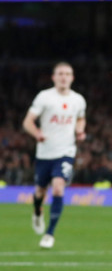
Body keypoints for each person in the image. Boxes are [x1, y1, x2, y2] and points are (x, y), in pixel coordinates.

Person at [22, 62, 87, 249]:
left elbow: (81, 118)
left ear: (72, 78)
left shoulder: (78, 100)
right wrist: (37, 134)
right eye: (60, 74)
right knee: (40, 192)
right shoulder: (45, 97)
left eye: (67, 74)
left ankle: (49, 233)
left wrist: (80, 130)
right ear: (54, 77)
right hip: (45, 153)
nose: (64, 77)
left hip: (66, 152)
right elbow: (28, 122)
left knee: (58, 188)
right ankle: (37, 211)